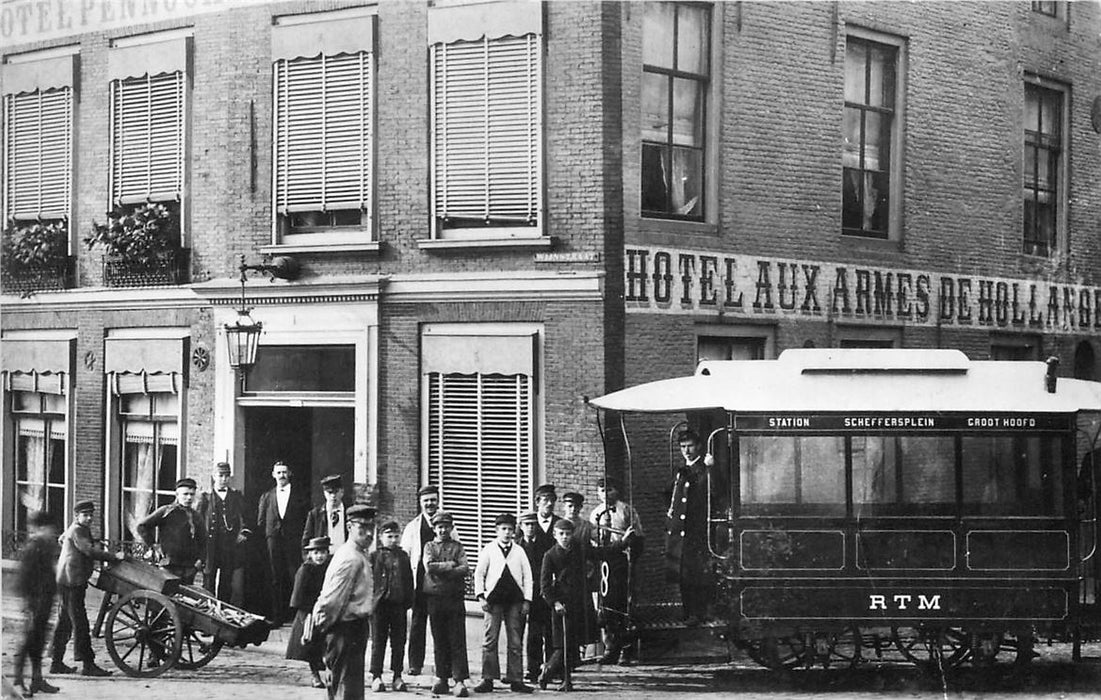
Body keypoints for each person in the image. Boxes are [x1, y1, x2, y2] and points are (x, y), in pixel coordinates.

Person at [50, 500, 124, 677]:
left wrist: (71, 555)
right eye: (85, 515)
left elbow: (62, 539)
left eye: (91, 514)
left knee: (65, 621)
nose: (89, 518)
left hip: (69, 580)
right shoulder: (77, 530)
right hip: (71, 582)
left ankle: (56, 662)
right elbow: (89, 551)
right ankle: (88, 664)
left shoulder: (76, 529)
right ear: (77, 516)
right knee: (80, 623)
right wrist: (114, 557)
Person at [312, 504, 376, 700]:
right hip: (344, 631)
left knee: (348, 689)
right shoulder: (350, 558)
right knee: (346, 691)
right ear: (349, 527)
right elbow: (331, 601)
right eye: (362, 527)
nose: (368, 533)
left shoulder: (358, 554)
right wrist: (323, 630)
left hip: (353, 629)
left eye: (371, 528)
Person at [664, 428, 725, 625]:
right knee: (683, 573)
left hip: (697, 531)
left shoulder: (704, 469)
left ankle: (698, 613)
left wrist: (712, 469)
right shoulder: (681, 471)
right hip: (680, 531)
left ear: (698, 446)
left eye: (690, 446)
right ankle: (687, 610)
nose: (687, 450)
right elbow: (670, 495)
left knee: (696, 574)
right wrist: (670, 514)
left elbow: (717, 492)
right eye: (683, 447)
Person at [473, 513, 534, 694]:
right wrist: (481, 596)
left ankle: (516, 679)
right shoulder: (489, 549)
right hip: (493, 602)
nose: (507, 533)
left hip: (514, 601)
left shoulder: (519, 551)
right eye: (504, 529)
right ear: (497, 530)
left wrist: (527, 600)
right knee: (489, 640)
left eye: (510, 529)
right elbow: (479, 574)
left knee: (515, 641)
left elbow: (528, 577)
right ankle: (488, 679)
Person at [589, 476, 644, 665]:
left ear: (616, 491)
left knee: (625, 605)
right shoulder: (595, 514)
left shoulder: (626, 510)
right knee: (607, 606)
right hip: (605, 563)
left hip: (623, 563)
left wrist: (632, 554)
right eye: (602, 490)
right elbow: (593, 542)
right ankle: (610, 648)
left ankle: (627, 650)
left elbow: (639, 536)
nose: (606, 494)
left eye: (609, 490)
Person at [538, 520, 596, 692]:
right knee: (562, 644)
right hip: (561, 606)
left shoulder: (578, 551)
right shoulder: (550, 555)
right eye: (561, 534)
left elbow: (600, 553)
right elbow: (545, 585)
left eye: (568, 534)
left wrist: (622, 542)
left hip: (579, 603)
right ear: (555, 535)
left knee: (574, 643)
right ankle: (548, 672)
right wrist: (555, 603)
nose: (565, 537)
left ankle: (567, 680)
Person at [422, 510, 470, 698]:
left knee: (457, 639)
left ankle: (459, 680)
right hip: (435, 598)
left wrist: (441, 570)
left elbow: (465, 568)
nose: (443, 530)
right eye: (439, 527)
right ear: (434, 529)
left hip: (455, 598)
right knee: (439, 638)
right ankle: (441, 677)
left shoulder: (458, 547)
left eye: (446, 526)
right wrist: (450, 565)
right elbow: (429, 566)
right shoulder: (429, 546)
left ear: (451, 528)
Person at [13, 511, 60, 696]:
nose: (52, 532)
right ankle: (18, 680)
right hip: (35, 602)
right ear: (41, 528)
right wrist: (29, 604)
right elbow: (24, 579)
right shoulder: (33, 548)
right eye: (49, 528)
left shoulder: (45, 546)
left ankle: (37, 680)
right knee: (29, 641)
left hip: (45, 600)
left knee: (39, 641)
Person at [257, 460, 309, 625]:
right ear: (273, 475)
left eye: (284, 472)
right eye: (278, 472)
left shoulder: (300, 495)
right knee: (276, 577)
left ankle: (297, 617)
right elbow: (260, 521)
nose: (281, 475)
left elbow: (305, 519)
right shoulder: (267, 496)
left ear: (290, 474)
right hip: (273, 540)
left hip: (293, 540)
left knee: (296, 575)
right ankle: (278, 616)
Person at [400, 484, 444, 676]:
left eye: (433, 500)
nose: (430, 504)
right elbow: (405, 555)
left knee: (439, 623)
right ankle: (415, 664)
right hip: (419, 582)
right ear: (420, 503)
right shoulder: (412, 527)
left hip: (439, 584)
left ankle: (442, 665)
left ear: (438, 500)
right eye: (426, 501)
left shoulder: (446, 525)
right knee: (418, 623)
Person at [368, 520, 414, 693]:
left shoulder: (403, 556)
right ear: (381, 537)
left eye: (396, 536)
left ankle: (397, 676)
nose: (393, 540)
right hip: (380, 606)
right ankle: (376, 676)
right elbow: (369, 581)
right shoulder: (374, 556)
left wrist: (408, 601)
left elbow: (409, 580)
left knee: (399, 642)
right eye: (389, 536)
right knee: (378, 642)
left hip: (398, 605)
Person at [197, 461, 250, 604]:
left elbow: (245, 517)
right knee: (209, 578)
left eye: (227, 476)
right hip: (210, 545)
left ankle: (223, 610)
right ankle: (208, 611)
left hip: (229, 545)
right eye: (220, 475)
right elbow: (198, 521)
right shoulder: (206, 497)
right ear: (214, 476)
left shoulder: (236, 496)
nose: (224, 479)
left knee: (226, 579)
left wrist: (242, 533)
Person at [137, 477, 207, 584]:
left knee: (185, 599)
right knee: (167, 596)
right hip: (169, 565)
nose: (189, 498)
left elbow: (204, 541)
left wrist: (200, 561)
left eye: (192, 494)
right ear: (177, 495)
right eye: (185, 494)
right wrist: (154, 546)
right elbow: (142, 527)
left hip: (189, 568)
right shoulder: (166, 511)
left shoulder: (197, 516)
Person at [288, 536, 332, 689]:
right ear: (310, 554)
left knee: (328, 643)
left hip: (326, 611)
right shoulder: (306, 570)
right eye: (316, 553)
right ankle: (315, 675)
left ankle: (330, 673)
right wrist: (307, 612)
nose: (319, 556)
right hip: (309, 612)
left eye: (323, 552)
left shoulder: (329, 569)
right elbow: (299, 593)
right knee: (311, 644)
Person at [517, 512, 552, 684]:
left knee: (541, 632)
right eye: (527, 524)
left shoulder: (545, 543)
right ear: (521, 527)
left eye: (533, 524)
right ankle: (530, 668)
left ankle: (549, 668)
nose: (530, 528)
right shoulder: (517, 546)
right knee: (525, 633)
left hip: (539, 594)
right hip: (521, 594)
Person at [303, 474, 350, 553]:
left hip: (345, 558)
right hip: (322, 559)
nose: (333, 496)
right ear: (324, 493)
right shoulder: (315, 515)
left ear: (342, 492)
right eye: (329, 492)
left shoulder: (349, 512)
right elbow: (306, 541)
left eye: (336, 492)